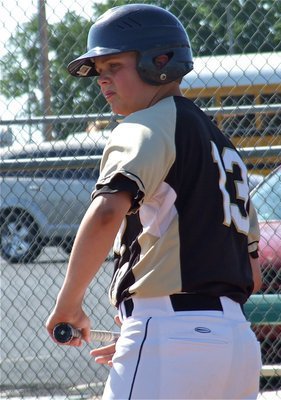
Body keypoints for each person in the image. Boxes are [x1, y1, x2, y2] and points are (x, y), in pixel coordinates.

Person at [46, 4, 262, 399]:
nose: (103, 81)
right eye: (100, 72)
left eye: (114, 66)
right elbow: (253, 270)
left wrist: (69, 304)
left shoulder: (147, 124)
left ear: (158, 61)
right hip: (236, 346)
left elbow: (108, 210)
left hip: (168, 336)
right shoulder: (221, 145)